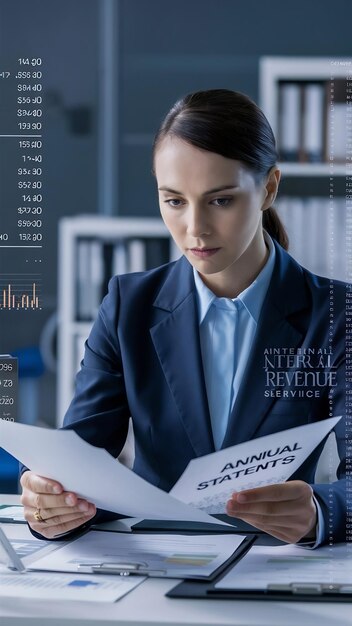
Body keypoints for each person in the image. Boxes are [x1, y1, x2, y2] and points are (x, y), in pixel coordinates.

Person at [20, 89, 347, 545]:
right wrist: (50, 500)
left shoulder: (334, 315)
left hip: (272, 568)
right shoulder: (127, 306)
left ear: (269, 188)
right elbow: (80, 459)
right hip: (153, 564)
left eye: (220, 200)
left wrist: (319, 512)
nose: (195, 229)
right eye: (174, 201)